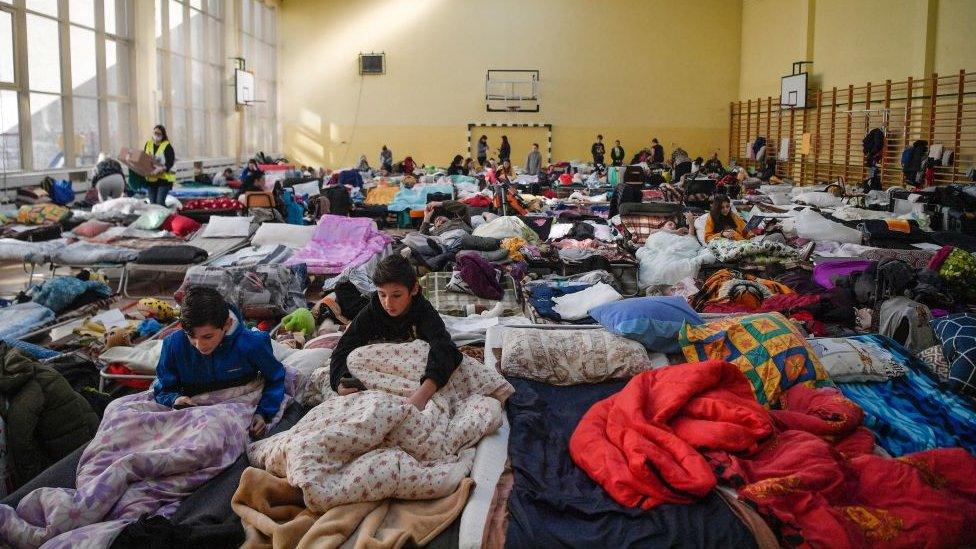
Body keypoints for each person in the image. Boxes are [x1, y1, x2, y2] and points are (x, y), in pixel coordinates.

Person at [329, 255, 462, 410]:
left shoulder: (423, 311)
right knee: (353, 358)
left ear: (414, 289)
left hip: (418, 378)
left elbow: (445, 348)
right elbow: (342, 350)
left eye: (396, 295)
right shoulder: (372, 312)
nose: (388, 303)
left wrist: (421, 395)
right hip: (384, 377)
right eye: (382, 294)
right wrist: (340, 382)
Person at [152, 286, 286, 439]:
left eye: (207, 337)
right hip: (192, 413)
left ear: (227, 324)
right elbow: (163, 388)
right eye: (191, 336)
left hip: (235, 411)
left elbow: (276, 378)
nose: (199, 345)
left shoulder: (252, 344)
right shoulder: (173, 346)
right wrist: (175, 399)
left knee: (211, 436)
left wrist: (263, 413)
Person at [145, 125, 176, 206]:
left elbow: (170, 162)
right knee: (153, 204)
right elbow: (143, 158)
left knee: (160, 203)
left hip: (164, 180)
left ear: (163, 135)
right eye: (155, 133)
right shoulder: (148, 144)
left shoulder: (167, 146)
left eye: (159, 134)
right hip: (151, 179)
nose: (156, 135)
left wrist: (161, 168)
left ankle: (167, 217)